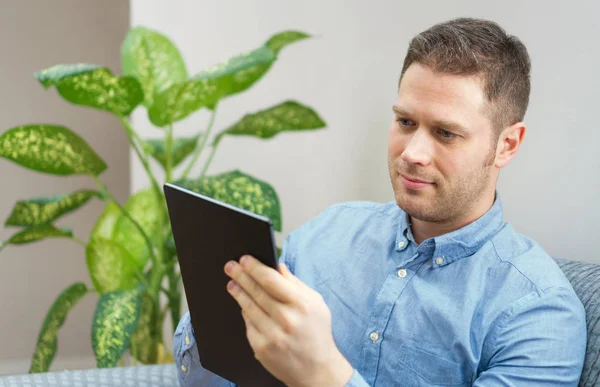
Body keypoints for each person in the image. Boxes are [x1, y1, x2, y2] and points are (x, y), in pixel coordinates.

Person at [173, 17, 587, 386]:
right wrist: (217, 314)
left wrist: (322, 374)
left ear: (507, 144)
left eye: (446, 133)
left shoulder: (538, 315)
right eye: (405, 122)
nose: (412, 152)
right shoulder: (328, 231)